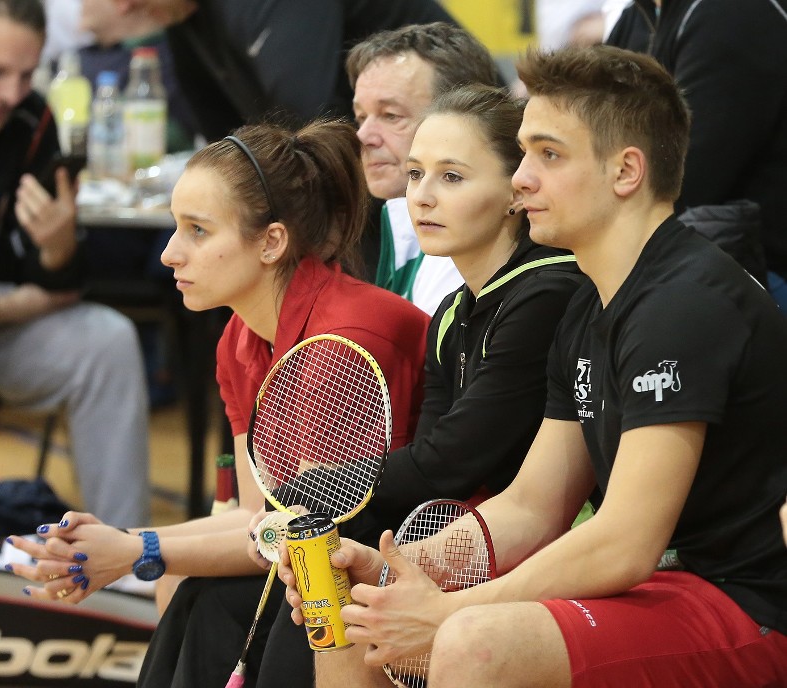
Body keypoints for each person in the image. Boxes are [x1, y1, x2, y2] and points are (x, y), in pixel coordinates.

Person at [281, 45, 787, 688]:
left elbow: (626, 542)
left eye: (548, 155)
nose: (522, 179)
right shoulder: (587, 307)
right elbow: (532, 506)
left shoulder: (684, 304)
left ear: (625, 171)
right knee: (364, 613)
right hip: (666, 589)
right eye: (523, 155)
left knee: (475, 641)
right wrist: (398, 572)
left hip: (745, 606)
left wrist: (450, 610)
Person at [6, 118, 430, 686]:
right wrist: (118, 546)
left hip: (396, 560)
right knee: (177, 582)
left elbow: (294, 535)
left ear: (271, 242)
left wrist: (136, 547)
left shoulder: (340, 346)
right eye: (175, 227)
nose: (169, 254)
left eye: (198, 231)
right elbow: (260, 522)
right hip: (305, 551)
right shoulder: (239, 339)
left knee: (196, 595)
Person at [0, 0, 150, 527]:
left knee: (108, 341)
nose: (11, 93)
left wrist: (56, 248)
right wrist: (5, 305)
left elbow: (61, 284)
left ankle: (119, 564)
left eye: (26, 73)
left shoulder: (29, 119)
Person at [606, 0, 787, 309]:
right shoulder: (638, 16)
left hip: (757, 272)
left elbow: (682, 181)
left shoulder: (733, 14)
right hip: (689, 259)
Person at [82, 0, 458, 143]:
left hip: (452, 127)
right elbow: (226, 139)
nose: (124, 6)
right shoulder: (183, 16)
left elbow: (312, 122)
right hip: (374, 146)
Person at [348, 22, 500, 315]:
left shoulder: (470, 252)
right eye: (361, 116)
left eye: (390, 116)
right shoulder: (399, 225)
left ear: (464, 114)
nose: (363, 137)